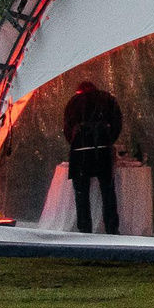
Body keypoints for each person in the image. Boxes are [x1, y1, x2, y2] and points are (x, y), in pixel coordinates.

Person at [63, 79, 124, 234]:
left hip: (80, 151)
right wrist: (109, 140)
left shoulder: (73, 102)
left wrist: (75, 141)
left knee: (81, 193)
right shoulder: (108, 99)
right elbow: (117, 123)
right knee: (108, 191)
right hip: (102, 150)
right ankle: (112, 228)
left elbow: (67, 127)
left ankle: (84, 228)